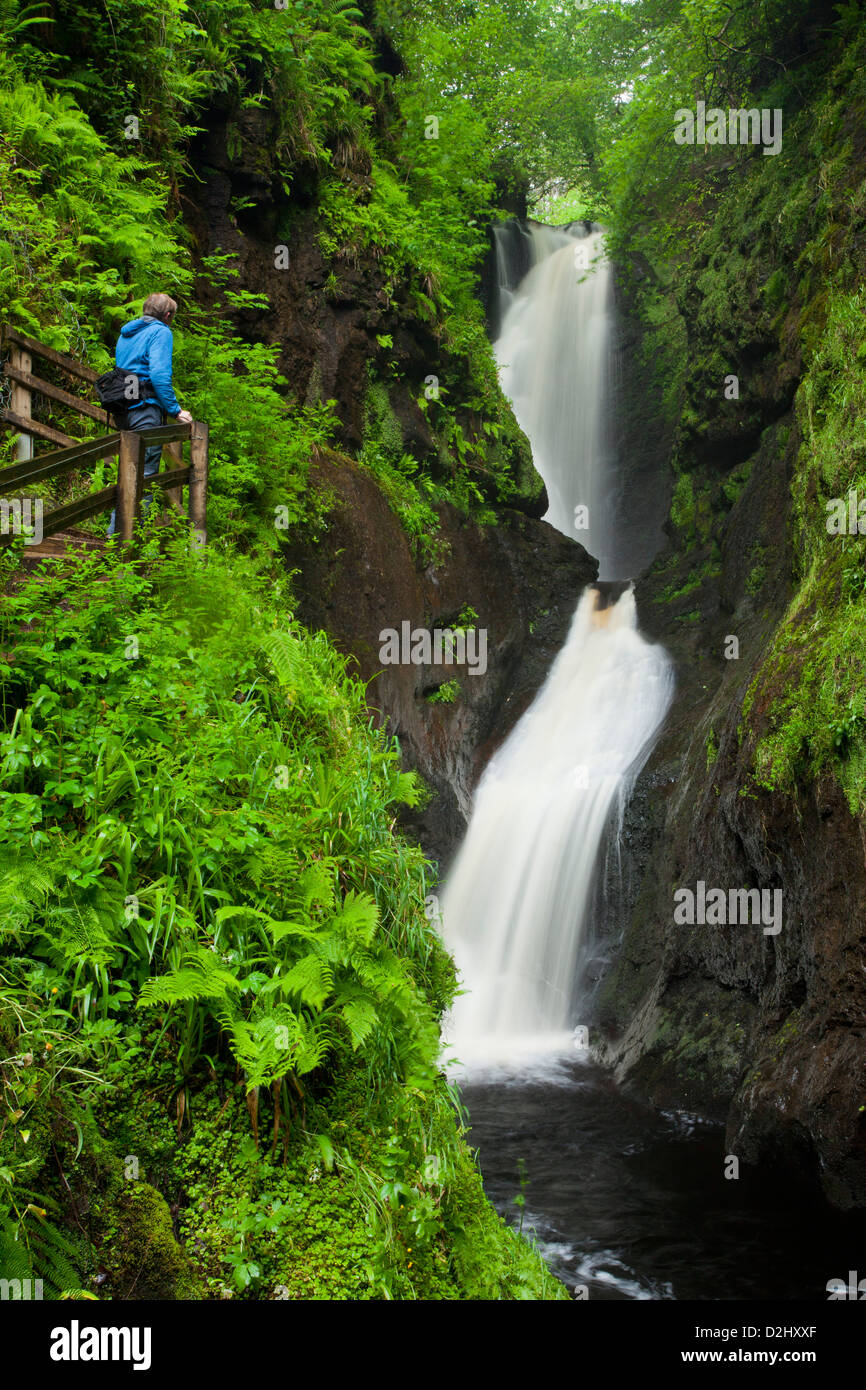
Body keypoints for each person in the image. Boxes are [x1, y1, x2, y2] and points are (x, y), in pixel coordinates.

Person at [107, 292, 193, 536]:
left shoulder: (127, 334)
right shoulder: (161, 332)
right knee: (145, 475)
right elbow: (158, 375)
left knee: (128, 470)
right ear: (167, 315)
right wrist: (175, 410)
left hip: (123, 408)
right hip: (145, 409)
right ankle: (131, 539)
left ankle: (115, 534)